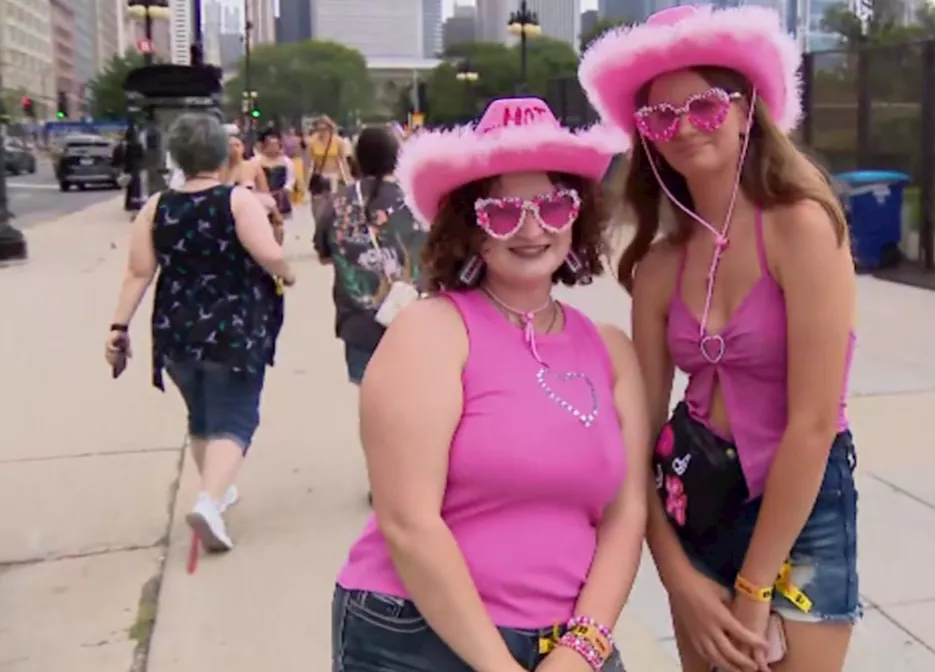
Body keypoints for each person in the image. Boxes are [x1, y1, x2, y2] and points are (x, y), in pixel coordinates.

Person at [579, 6, 859, 671]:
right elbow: (638, 438)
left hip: (802, 503)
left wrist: (754, 586)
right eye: (658, 118)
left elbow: (815, 422)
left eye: (703, 106)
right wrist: (678, 577)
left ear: (745, 109)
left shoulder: (802, 225)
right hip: (695, 499)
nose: (682, 129)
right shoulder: (659, 265)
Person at [331, 97, 644, 672]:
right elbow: (407, 521)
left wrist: (585, 645)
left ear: (579, 215)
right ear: (470, 229)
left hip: (567, 642)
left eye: (554, 206)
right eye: (501, 212)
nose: (531, 228)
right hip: (417, 638)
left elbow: (627, 513)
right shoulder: (429, 333)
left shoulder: (611, 350)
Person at [103, 113, 293, 553]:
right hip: (235, 327)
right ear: (219, 153)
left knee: (202, 415)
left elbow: (138, 272)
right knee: (237, 416)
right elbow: (267, 254)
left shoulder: (156, 207)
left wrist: (118, 325)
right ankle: (209, 502)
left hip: (176, 329)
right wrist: (287, 271)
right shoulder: (237, 202)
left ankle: (218, 489)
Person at [314, 125, 426, 385]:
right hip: (416, 321)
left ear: (358, 160)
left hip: (359, 323)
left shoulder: (339, 202)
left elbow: (324, 255)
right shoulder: (417, 199)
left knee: (373, 406)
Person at [306, 116, 353, 220]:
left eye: (324, 129)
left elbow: (343, 161)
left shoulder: (338, 141)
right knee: (317, 208)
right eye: (319, 129)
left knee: (334, 205)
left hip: (334, 176)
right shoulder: (312, 142)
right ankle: (319, 229)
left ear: (330, 129)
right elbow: (309, 163)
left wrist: (348, 179)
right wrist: (305, 183)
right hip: (319, 176)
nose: (321, 132)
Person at [256, 129, 296, 221]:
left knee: (279, 224)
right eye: (271, 145)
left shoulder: (286, 161)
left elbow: (291, 178)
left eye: (276, 145)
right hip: (261, 195)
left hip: (280, 195)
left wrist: (286, 190)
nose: (274, 148)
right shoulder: (257, 161)